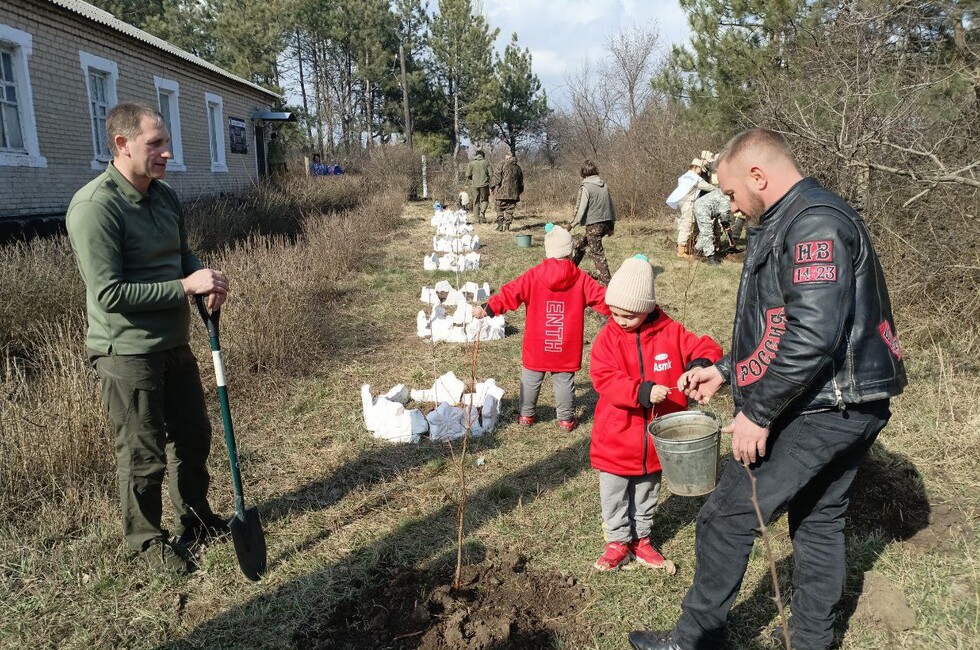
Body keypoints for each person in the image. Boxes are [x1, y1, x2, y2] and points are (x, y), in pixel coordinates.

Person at [629, 128, 907, 650]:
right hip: (845, 403)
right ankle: (811, 642)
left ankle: (695, 640)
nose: (730, 207)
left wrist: (757, 413)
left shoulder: (815, 223)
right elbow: (780, 324)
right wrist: (731, 370)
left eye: (732, 193)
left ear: (759, 176)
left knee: (725, 518)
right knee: (820, 520)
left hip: (827, 407)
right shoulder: (792, 219)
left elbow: (812, 335)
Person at [66, 102, 231, 576]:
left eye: (165, 142)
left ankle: (195, 517)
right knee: (143, 453)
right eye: (155, 143)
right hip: (127, 351)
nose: (167, 153)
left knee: (194, 435)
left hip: (174, 343)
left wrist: (205, 280)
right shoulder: (95, 207)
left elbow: (182, 255)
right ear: (122, 145)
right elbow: (109, 293)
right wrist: (184, 287)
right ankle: (144, 542)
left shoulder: (165, 197)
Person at [589, 255, 722, 572]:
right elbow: (604, 377)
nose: (620, 319)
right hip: (616, 438)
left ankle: (642, 539)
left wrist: (699, 365)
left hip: (658, 441)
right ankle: (618, 540)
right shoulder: (608, 339)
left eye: (629, 314)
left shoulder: (671, 332)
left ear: (648, 308)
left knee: (647, 491)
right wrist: (641, 392)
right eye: (615, 312)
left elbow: (704, 346)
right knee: (615, 493)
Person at [472, 224, 610, 430]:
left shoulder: (534, 275)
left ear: (547, 252)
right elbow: (603, 299)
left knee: (530, 379)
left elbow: (511, 293)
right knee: (564, 381)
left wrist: (488, 307)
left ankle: (526, 415)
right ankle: (565, 419)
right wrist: (623, 309)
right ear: (570, 251)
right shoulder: (581, 279)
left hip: (537, 343)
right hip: (566, 344)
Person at [568, 159, 616, 285]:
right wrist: (612, 226)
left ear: (583, 173)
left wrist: (571, 225)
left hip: (594, 226)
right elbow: (611, 206)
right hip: (606, 223)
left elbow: (581, 208)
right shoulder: (604, 185)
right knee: (580, 246)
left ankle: (606, 284)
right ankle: (568, 271)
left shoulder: (586, 187)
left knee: (597, 254)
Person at [666, 158, 715, 259]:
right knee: (687, 226)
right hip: (688, 204)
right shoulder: (694, 178)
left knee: (684, 224)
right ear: (695, 167)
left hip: (681, 202)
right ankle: (681, 250)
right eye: (700, 169)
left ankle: (687, 247)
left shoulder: (684, 176)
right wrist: (719, 189)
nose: (701, 171)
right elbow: (708, 187)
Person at [692, 168, 736, 265]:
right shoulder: (726, 197)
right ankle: (711, 258)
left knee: (704, 233)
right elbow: (724, 213)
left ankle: (696, 251)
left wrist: (726, 224)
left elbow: (724, 213)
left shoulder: (727, 193)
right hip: (702, 208)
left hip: (706, 208)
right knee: (707, 233)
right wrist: (726, 224)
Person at [490, 150, 524, 231]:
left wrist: (492, 187)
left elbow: (497, 179)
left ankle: (500, 225)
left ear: (507, 158)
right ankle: (507, 227)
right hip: (513, 194)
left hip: (502, 193)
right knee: (510, 210)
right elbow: (521, 182)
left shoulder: (502, 165)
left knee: (499, 208)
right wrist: (519, 192)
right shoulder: (518, 168)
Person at [466, 148, 491, 224]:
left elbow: (468, 175)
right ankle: (482, 213)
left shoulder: (471, 163)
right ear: (483, 156)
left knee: (476, 201)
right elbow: (491, 174)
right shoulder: (486, 163)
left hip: (474, 185)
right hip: (484, 184)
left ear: (476, 155)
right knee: (485, 200)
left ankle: (477, 219)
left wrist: (472, 178)